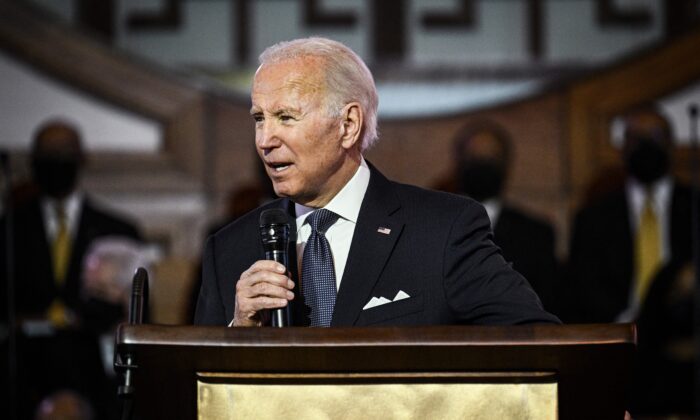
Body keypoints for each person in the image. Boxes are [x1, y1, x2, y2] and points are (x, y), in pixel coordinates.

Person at [194, 37, 559, 327]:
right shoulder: (228, 250)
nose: (264, 140)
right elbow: (195, 394)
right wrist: (238, 333)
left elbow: (538, 340)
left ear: (348, 125)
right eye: (259, 118)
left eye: (286, 117)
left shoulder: (442, 232)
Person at [0, 119, 142, 418]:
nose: (56, 165)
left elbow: (133, 318)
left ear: (81, 159)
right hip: (23, 376)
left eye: (63, 156)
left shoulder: (117, 231)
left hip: (92, 374)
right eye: (48, 157)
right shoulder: (10, 229)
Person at [567, 107, 692, 323]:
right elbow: (584, 288)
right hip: (617, 335)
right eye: (635, 137)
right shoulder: (593, 218)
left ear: (672, 144)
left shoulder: (694, 206)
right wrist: (627, 328)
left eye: (655, 136)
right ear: (622, 148)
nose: (645, 145)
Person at [449, 121, 559, 313]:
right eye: (474, 157)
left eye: (490, 158)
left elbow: (548, 304)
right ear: (459, 161)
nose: (482, 164)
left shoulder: (537, 234)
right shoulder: (437, 225)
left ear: (506, 164)